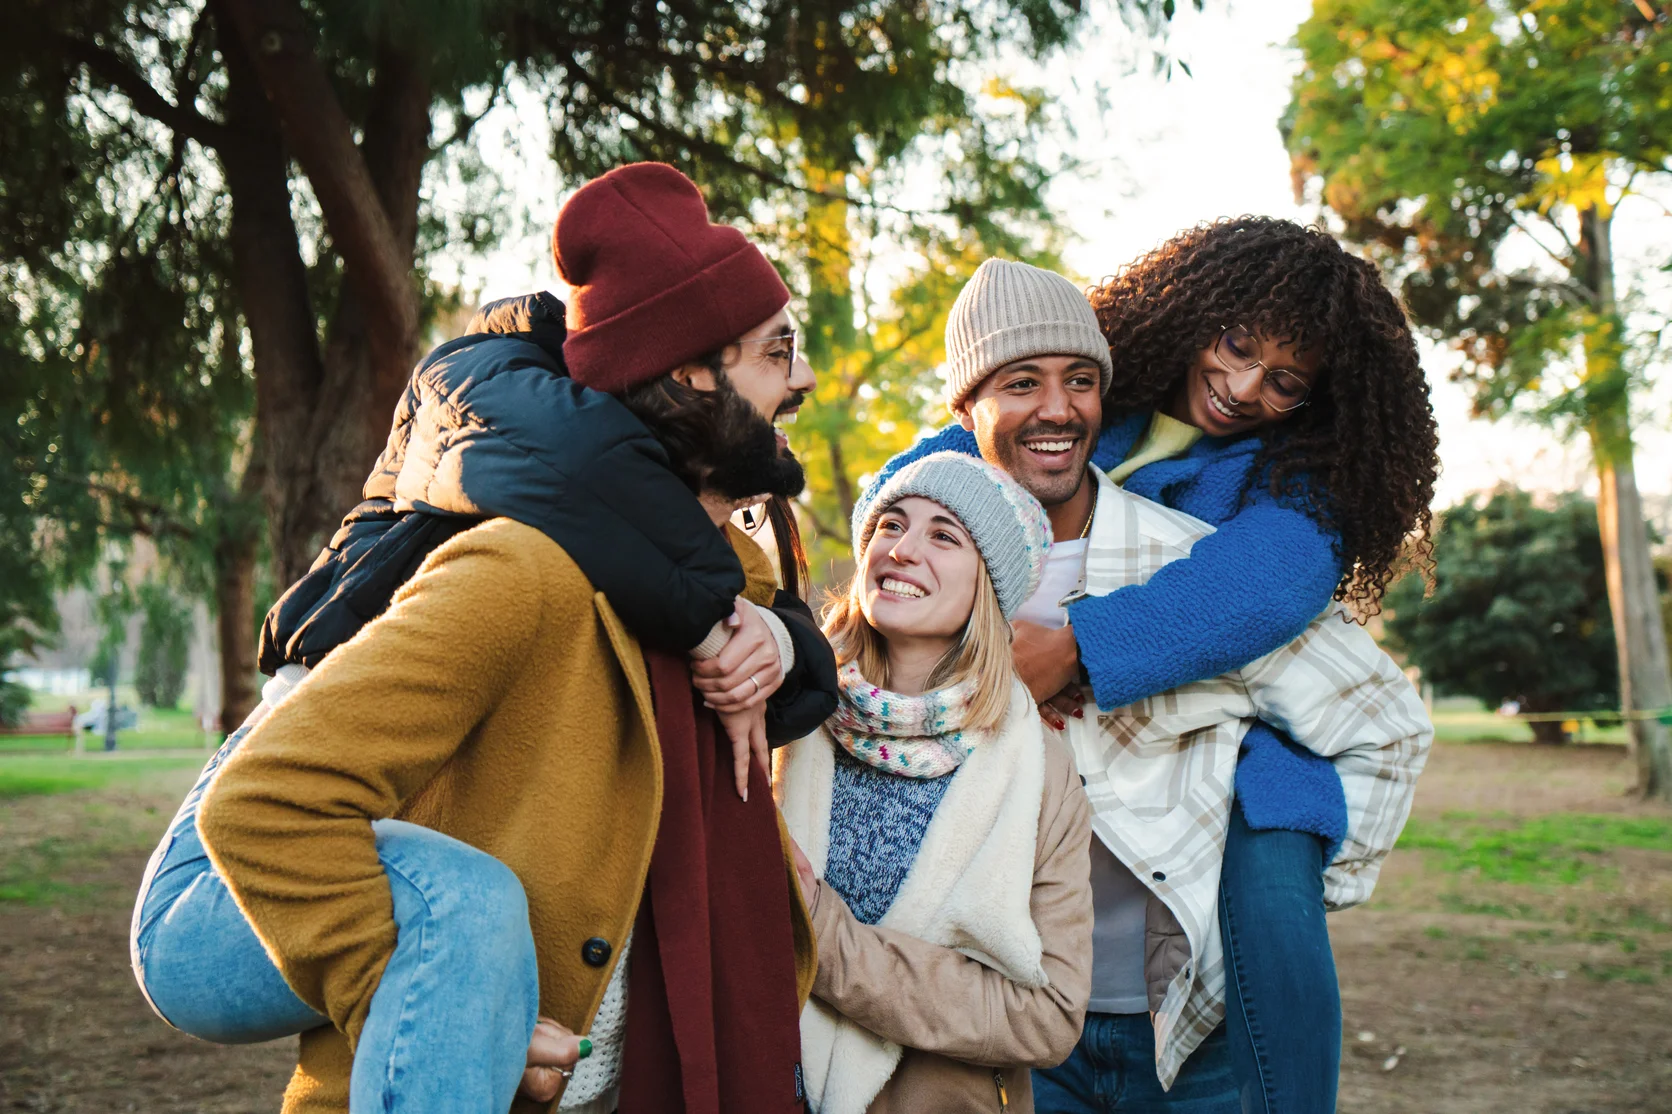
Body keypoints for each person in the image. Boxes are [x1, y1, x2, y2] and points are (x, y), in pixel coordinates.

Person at [128, 163, 839, 1114]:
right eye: (777, 349)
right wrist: (462, 1017)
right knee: (466, 905)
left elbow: (769, 611)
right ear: (686, 375)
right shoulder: (524, 561)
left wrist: (785, 645)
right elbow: (265, 806)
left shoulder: (704, 577)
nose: (804, 376)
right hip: (223, 872)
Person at [871, 249, 1436, 1113]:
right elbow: (918, 479)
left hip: (1243, 758)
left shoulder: (1277, 476)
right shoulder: (1093, 399)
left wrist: (1079, 649)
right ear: (1190, 314)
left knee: (1274, 864)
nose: (1247, 388)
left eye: (1286, 382)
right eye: (1239, 344)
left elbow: (1270, 582)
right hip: (1042, 949)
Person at [775, 450, 1094, 1113]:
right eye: (891, 526)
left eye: (944, 536)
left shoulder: (1039, 768)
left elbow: (1049, 1016)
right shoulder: (786, 711)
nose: (903, 549)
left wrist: (823, 937)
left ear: (989, 585)